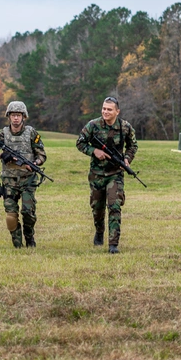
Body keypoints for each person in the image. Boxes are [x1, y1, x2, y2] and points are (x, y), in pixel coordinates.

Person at [75, 96, 138, 254]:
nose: (105, 111)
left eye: (109, 109)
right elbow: (80, 143)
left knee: (114, 206)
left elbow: (133, 145)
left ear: (117, 111)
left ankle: (113, 244)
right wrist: (94, 151)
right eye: (104, 108)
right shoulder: (93, 125)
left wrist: (127, 159)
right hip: (97, 174)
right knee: (97, 208)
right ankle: (99, 232)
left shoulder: (125, 127)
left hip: (115, 173)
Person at [0, 101, 47, 248]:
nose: (16, 118)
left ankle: (29, 237)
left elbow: (42, 155)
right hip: (9, 181)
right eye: (13, 115)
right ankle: (17, 244)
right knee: (11, 215)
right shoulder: (2, 135)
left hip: (28, 180)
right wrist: (0, 156)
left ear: (23, 116)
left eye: (18, 115)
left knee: (28, 212)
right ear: (9, 117)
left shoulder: (32, 133)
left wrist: (35, 163)